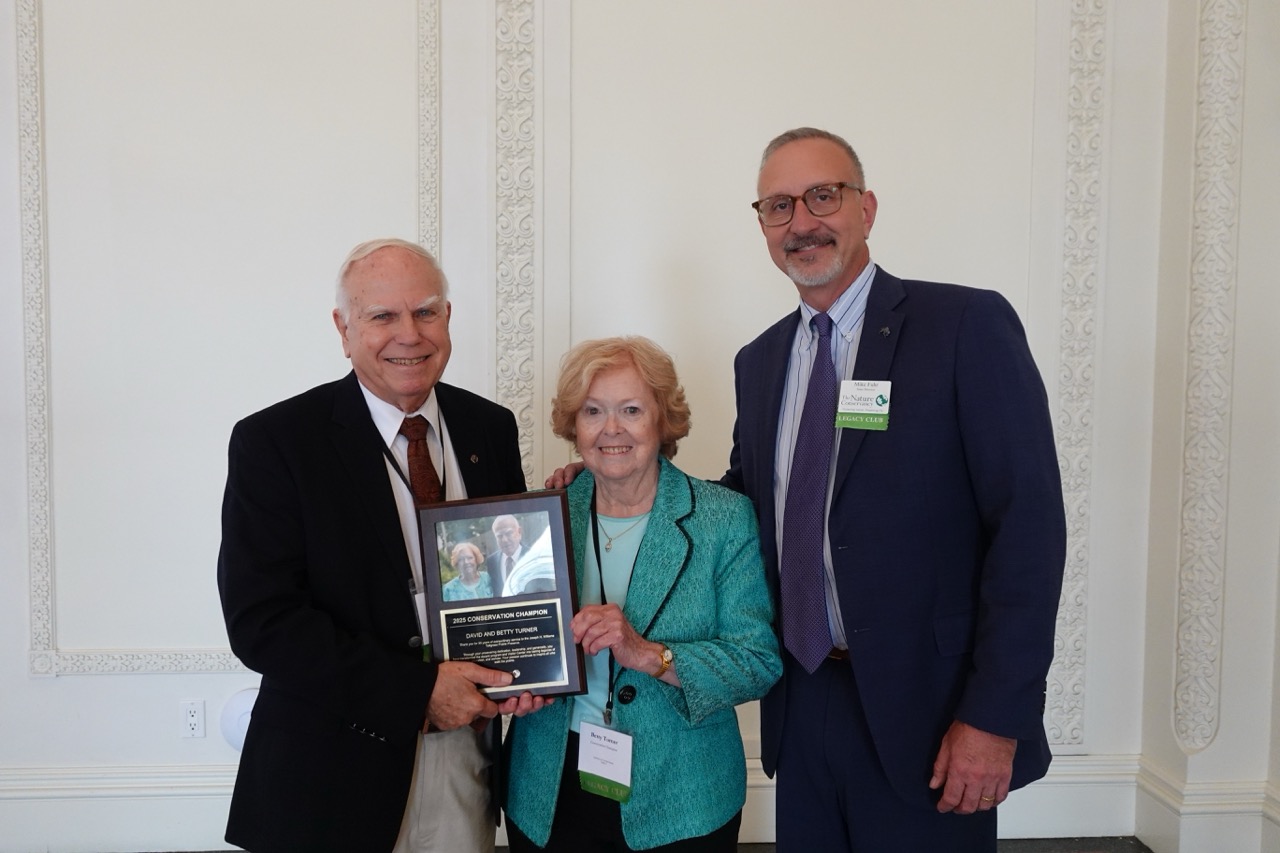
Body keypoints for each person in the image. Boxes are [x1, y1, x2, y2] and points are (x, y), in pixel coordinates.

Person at [725, 128, 1067, 851]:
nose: (802, 221)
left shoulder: (964, 327)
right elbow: (741, 505)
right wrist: (618, 482)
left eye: (824, 195)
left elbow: (1028, 529)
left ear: (867, 207)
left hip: (935, 714)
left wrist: (995, 715)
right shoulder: (759, 363)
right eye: (779, 205)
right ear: (762, 225)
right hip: (804, 696)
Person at [217, 238, 545, 853]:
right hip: (331, 772)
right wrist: (419, 693)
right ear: (344, 329)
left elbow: (509, 576)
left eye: (425, 312)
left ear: (448, 318)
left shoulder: (489, 428)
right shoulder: (277, 442)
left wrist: (523, 667)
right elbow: (262, 622)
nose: (409, 334)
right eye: (382, 316)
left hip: (466, 760)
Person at [505, 337, 782, 852]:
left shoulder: (723, 518)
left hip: (682, 790)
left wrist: (647, 654)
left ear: (663, 420)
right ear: (574, 424)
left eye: (631, 410)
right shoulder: (543, 514)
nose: (612, 429)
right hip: (549, 783)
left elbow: (756, 660)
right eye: (593, 411)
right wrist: (510, 685)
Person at [486, 514, 524, 593]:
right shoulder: (491, 562)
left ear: (519, 532)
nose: (504, 540)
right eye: (499, 536)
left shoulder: (533, 557)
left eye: (508, 533)